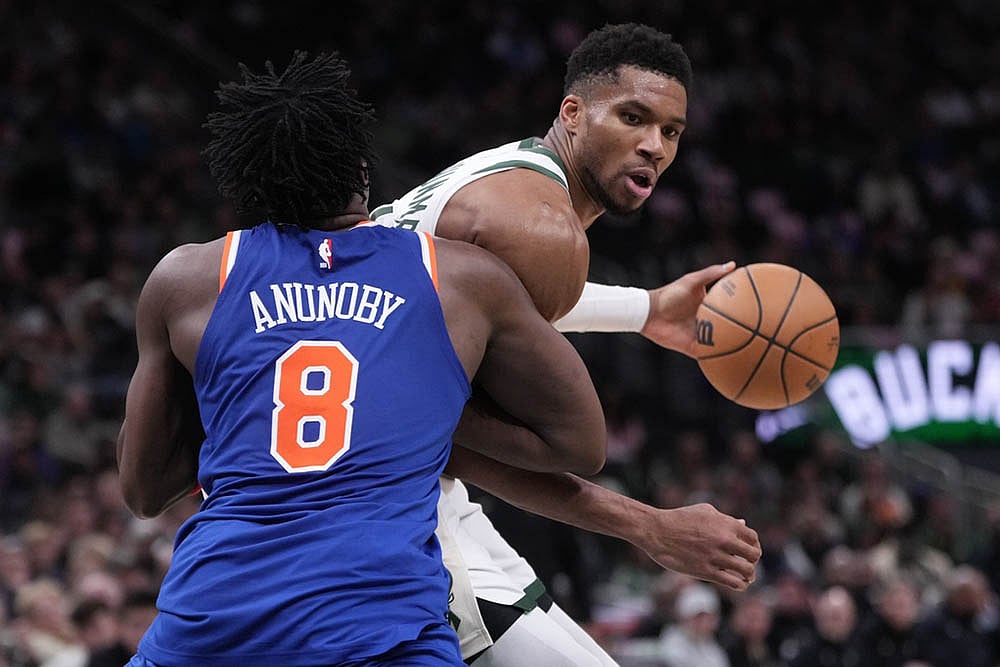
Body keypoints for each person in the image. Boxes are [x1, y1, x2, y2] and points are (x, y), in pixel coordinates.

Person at [115, 51, 607, 666]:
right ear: (363, 172)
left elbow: (143, 489)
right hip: (382, 631)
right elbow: (581, 444)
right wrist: (422, 415)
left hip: (214, 624)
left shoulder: (187, 279)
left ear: (248, 181)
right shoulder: (458, 277)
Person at [371, 22, 761, 665]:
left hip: (403, 482)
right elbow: (452, 437)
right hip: (378, 503)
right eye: (633, 117)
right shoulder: (540, 227)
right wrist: (648, 526)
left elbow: (498, 299)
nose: (653, 146)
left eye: (670, 132)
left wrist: (647, 310)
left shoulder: (500, 179)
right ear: (573, 113)